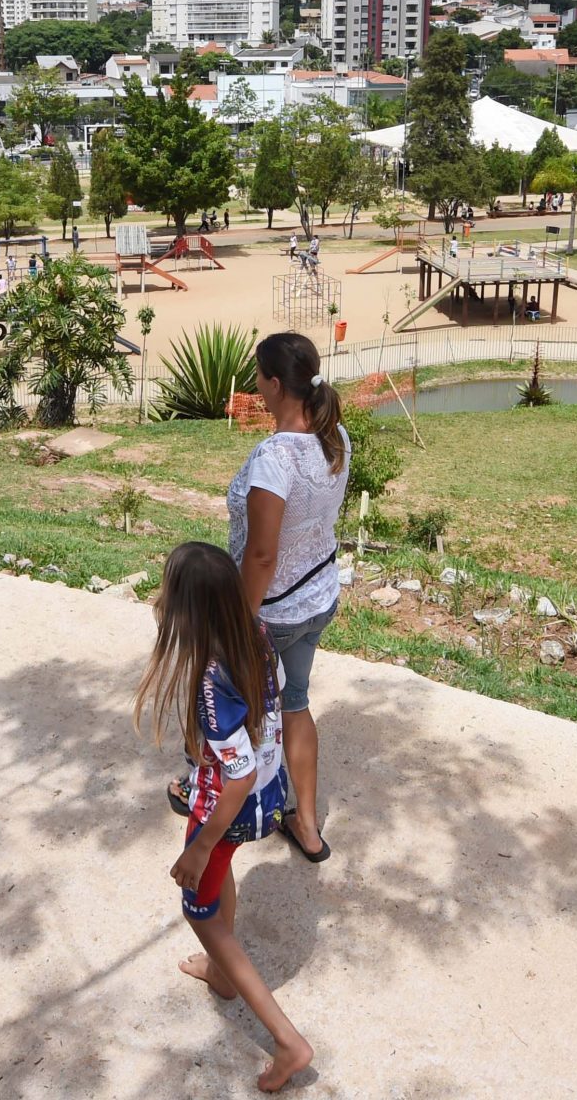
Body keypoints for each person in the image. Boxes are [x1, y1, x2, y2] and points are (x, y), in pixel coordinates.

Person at [136, 541, 312, 1094]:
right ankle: (220, 974)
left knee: (200, 912)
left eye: (167, 593)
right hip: (268, 793)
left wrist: (199, 846)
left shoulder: (211, 683)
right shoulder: (256, 633)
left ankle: (288, 1041)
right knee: (222, 871)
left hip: (227, 809)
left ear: (188, 612)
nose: (159, 599)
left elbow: (235, 776)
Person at [167, 331, 347, 865]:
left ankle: (204, 789)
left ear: (274, 384)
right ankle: (307, 827)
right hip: (317, 595)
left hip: (270, 611)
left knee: (227, 703)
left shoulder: (275, 457)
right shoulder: (334, 434)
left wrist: (237, 625)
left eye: (258, 378)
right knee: (295, 703)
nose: (255, 386)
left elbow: (262, 556)